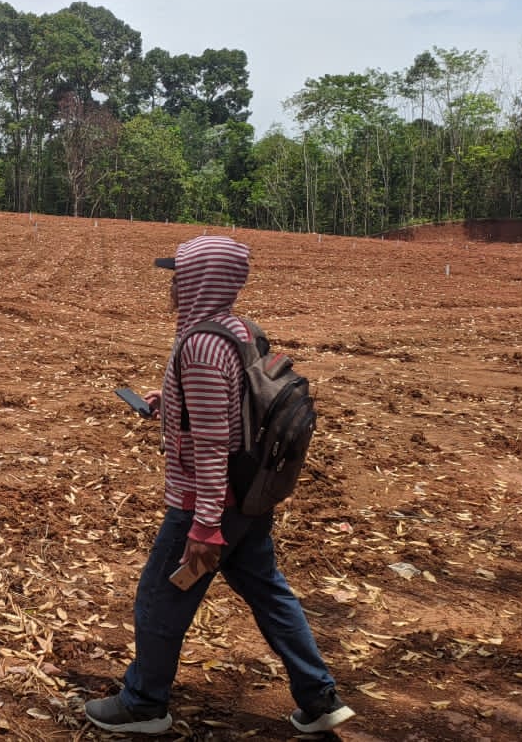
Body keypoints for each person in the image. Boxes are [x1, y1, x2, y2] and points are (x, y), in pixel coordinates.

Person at [84, 235, 354, 735]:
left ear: (198, 280)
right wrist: (172, 402)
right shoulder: (238, 329)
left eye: (178, 275)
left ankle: (144, 704)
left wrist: (206, 524)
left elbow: (211, 444)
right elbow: (236, 407)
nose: (171, 285)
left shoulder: (203, 344)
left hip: (210, 503)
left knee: (158, 599)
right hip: (247, 499)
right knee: (269, 593)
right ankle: (320, 699)